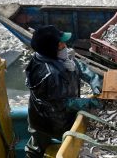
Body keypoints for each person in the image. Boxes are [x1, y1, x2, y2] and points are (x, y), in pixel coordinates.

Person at [25, 25, 103, 157]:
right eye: (60, 44)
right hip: (48, 119)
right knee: (37, 148)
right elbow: (61, 104)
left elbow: (77, 65)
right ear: (50, 49)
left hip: (63, 114)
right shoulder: (48, 74)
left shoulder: (55, 56)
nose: (65, 45)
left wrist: (93, 78)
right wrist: (89, 103)